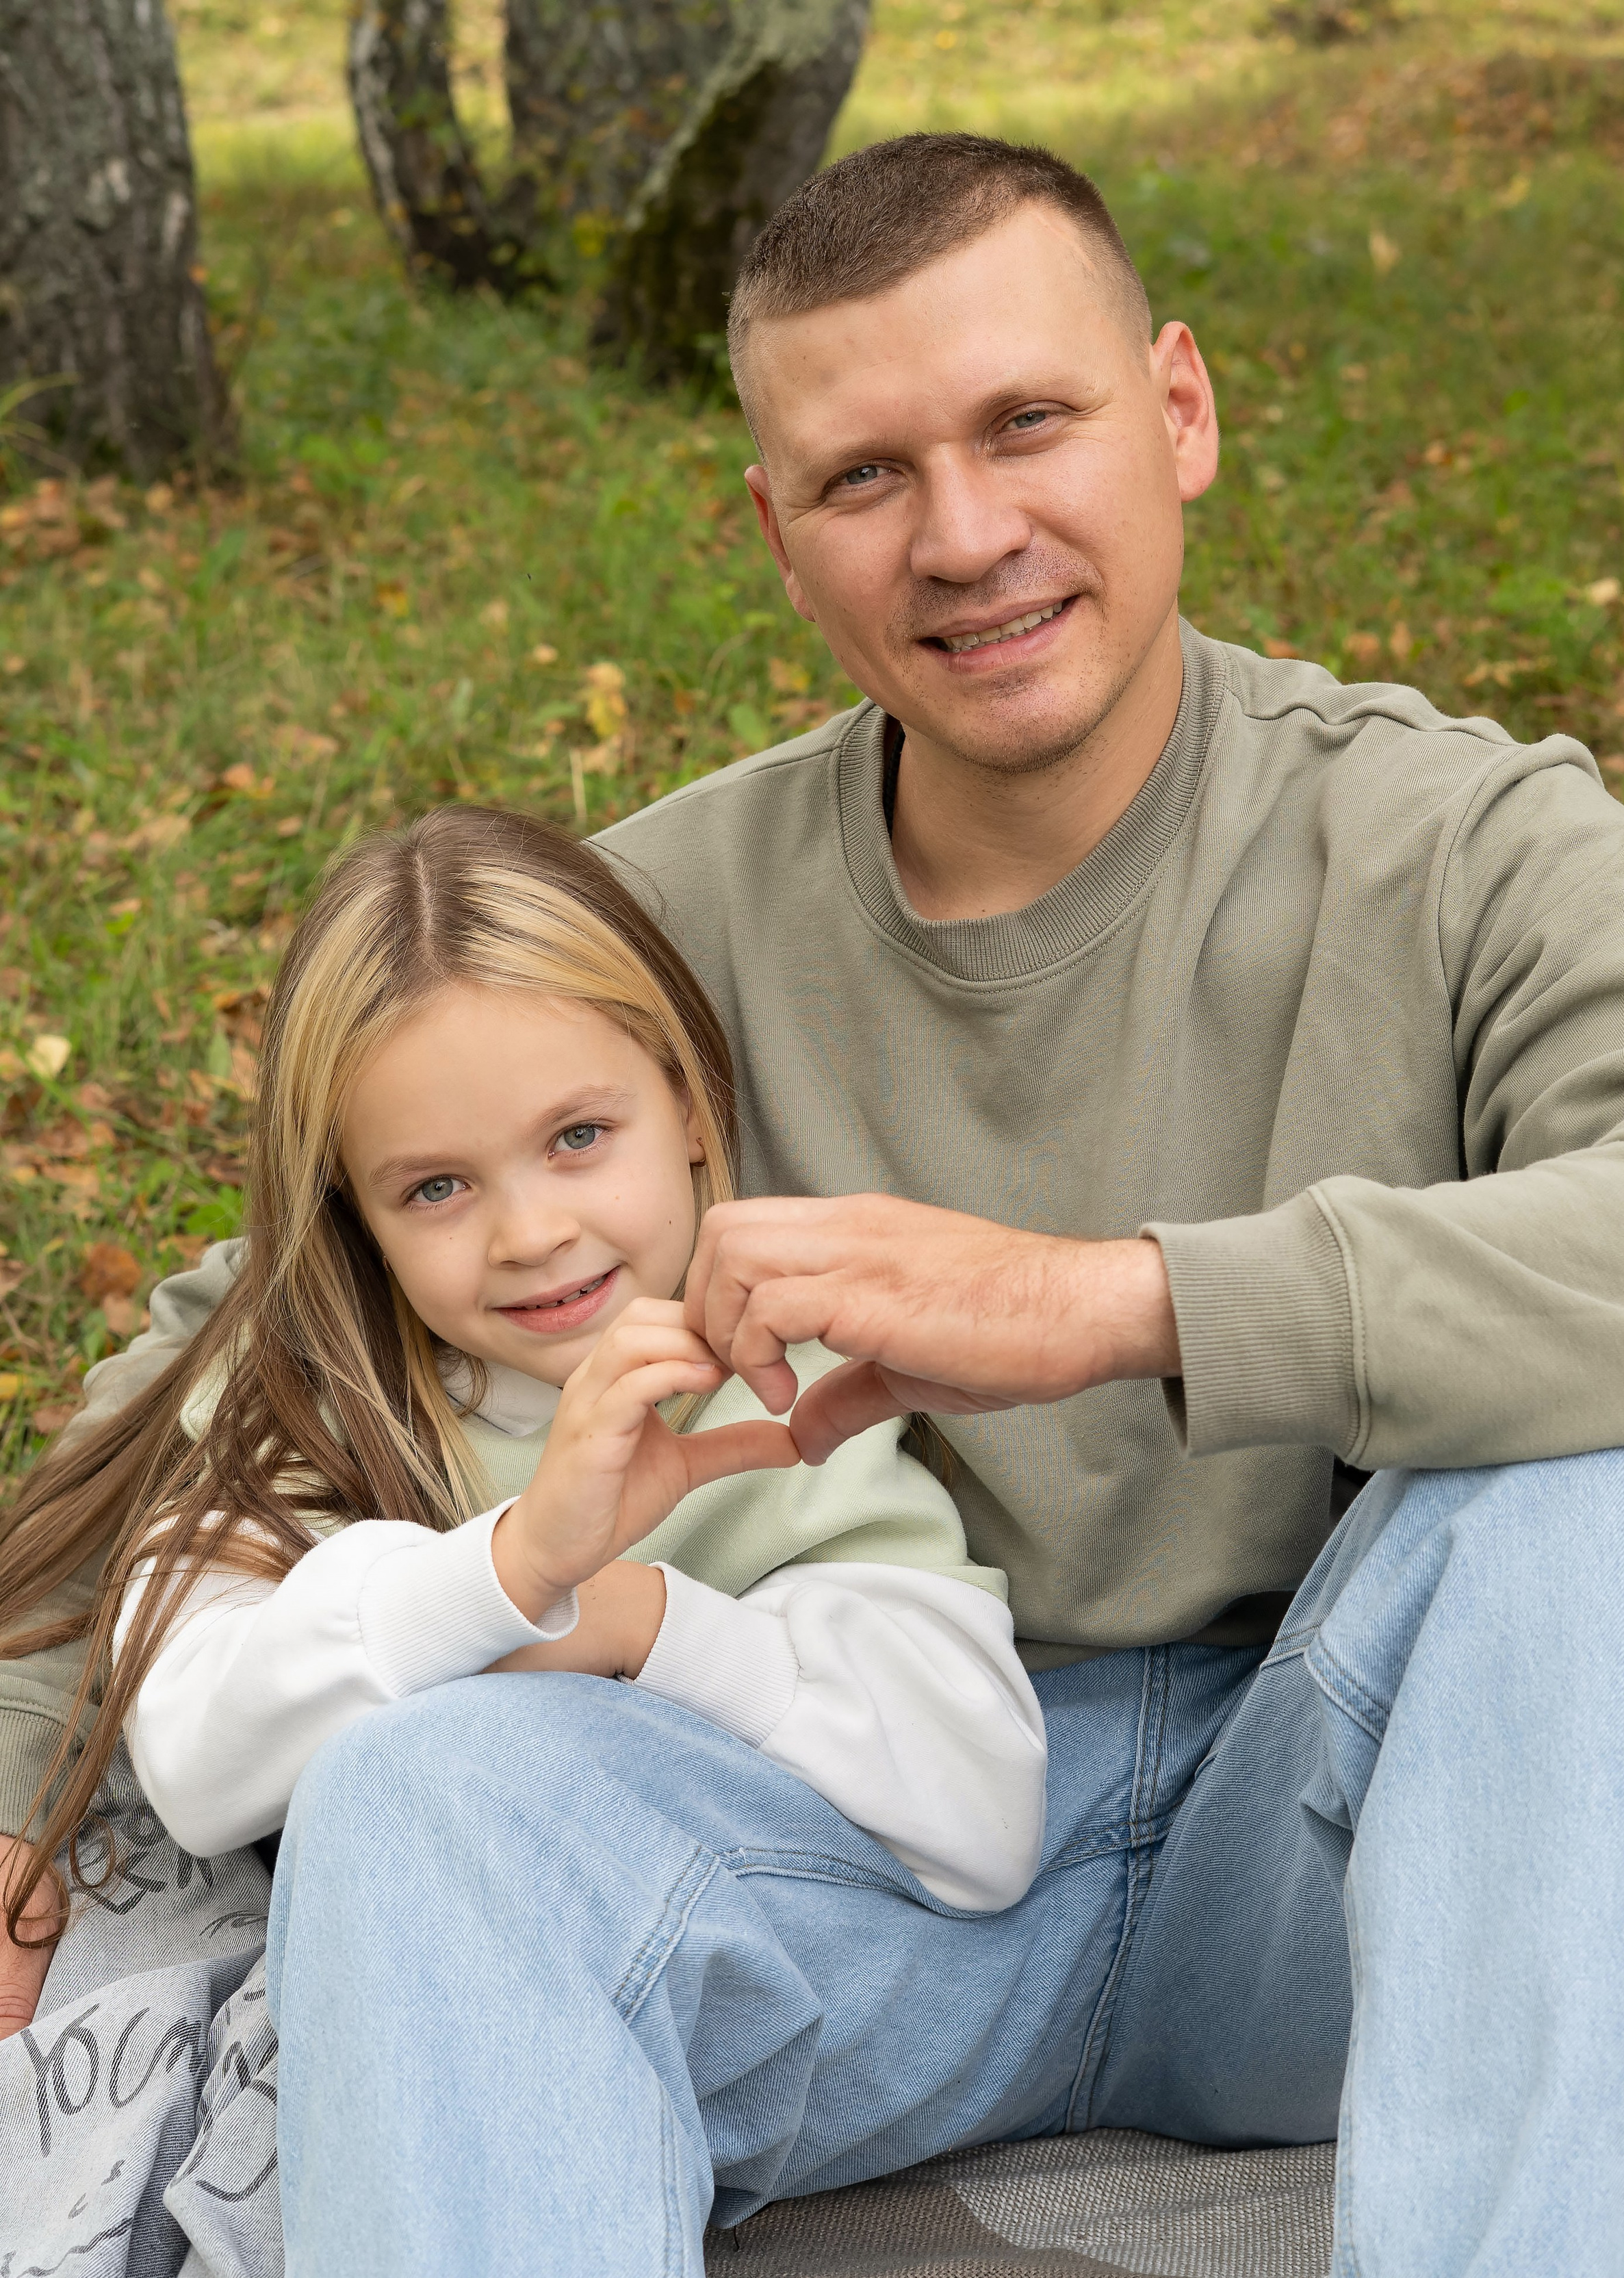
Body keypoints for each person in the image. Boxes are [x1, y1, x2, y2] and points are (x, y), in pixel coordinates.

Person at [8, 129, 1624, 2278]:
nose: (966, 534)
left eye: (1030, 422)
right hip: (858, 1865)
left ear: (1182, 413)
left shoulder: (1451, 840)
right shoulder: (663, 929)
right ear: (774, 530)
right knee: (421, 1790)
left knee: (1610, 1503)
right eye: (863, 475)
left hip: (1341, 1845)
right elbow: (220, 1357)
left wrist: (1115, 1299)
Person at [0, 806, 1046, 1923]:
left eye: (578, 1137)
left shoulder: (792, 1397)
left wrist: (631, 1620)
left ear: (688, 1105)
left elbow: (984, 1821)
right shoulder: (304, 1405)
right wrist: (515, 1567)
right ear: (358, 1210)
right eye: (436, 1187)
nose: (531, 1233)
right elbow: (199, 1766)